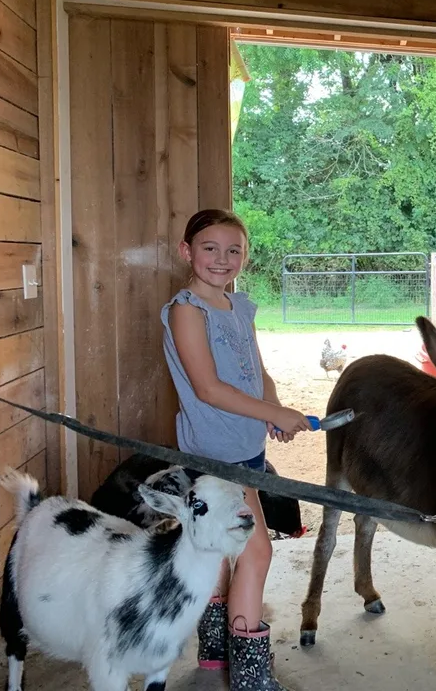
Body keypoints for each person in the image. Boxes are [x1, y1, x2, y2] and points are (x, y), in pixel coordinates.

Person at [161, 209, 311, 689]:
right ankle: (249, 674)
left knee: (226, 551)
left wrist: (273, 407)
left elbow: (256, 369)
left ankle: (215, 649)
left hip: (243, 447)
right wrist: (270, 413)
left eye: (234, 250)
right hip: (213, 452)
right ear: (186, 251)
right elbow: (206, 388)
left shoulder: (239, 306)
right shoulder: (188, 309)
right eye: (210, 248)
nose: (222, 259)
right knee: (256, 552)